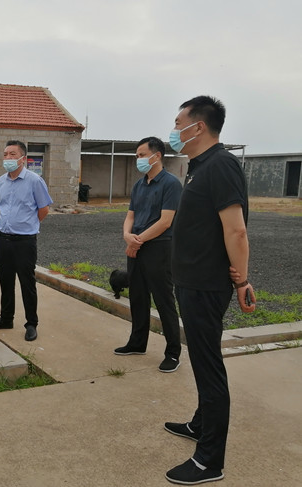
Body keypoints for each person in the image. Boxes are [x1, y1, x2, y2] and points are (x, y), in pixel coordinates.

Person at [164, 96, 256, 485]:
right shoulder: (199, 167)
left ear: (198, 126)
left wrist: (243, 281)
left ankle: (209, 461)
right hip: (191, 282)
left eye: (178, 123)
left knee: (208, 366)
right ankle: (200, 424)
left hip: (205, 285)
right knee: (202, 361)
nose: (174, 130)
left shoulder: (221, 165)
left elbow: (236, 229)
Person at [114, 137, 182, 373]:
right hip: (136, 245)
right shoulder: (139, 185)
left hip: (159, 247)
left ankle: (173, 353)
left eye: (142, 155)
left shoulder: (171, 184)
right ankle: (137, 342)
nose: (139, 160)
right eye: (137, 156)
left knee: (164, 300)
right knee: (138, 296)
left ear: (157, 155)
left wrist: (137, 241)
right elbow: (131, 215)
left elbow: (165, 221)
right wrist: (127, 235)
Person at [0, 140, 53, 342]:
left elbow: (44, 209)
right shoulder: (1, 182)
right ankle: (6, 318)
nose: (7, 158)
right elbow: (1, 206)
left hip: (24, 241)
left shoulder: (35, 181)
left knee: (27, 283)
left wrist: (28, 225)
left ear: (23, 158)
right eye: (5, 154)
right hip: (3, 239)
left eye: (12, 154)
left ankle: (31, 323)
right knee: (5, 281)